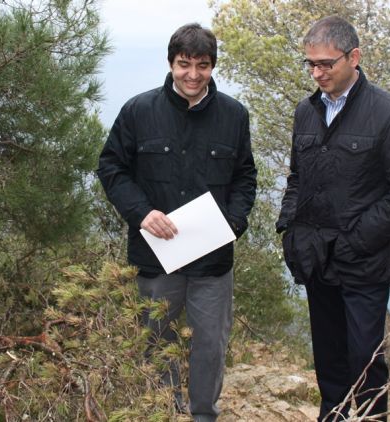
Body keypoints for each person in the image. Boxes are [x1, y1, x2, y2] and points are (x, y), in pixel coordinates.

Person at [97, 23, 257, 422]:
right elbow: (111, 167)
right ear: (171, 63)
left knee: (210, 346)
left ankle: (204, 415)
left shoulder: (234, 116)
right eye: (184, 64)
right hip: (154, 258)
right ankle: (163, 412)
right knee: (154, 342)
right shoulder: (138, 111)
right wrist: (141, 213)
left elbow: (245, 178)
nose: (192, 75)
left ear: (212, 66)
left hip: (212, 262)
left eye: (202, 66)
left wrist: (233, 223)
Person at [276, 16, 390, 421]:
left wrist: (354, 240)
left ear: (354, 56)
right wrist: (288, 229)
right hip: (314, 257)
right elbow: (296, 178)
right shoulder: (305, 112)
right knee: (329, 363)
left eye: (326, 64)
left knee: (365, 361)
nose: (317, 72)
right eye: (310, 64)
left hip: (364, 261)